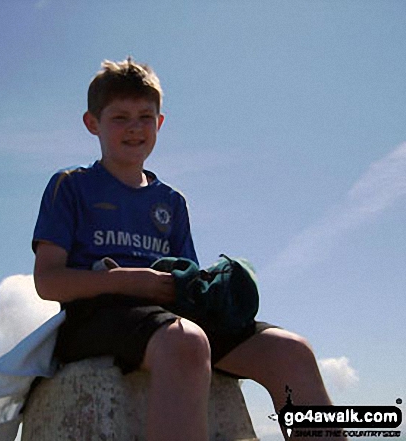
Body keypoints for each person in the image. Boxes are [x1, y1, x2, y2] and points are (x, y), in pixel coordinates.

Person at [32, 57, 338, 441]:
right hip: (96, 315)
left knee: (291, 350)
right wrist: (129, 281)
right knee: (186, 342)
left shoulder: (171, 201)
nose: (134, 128)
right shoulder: (71, 185)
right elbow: (48, 281)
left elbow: (185, 275)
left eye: (145, 116)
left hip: (166, 313)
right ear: (92, 123)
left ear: (160, 123)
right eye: (120, 117)